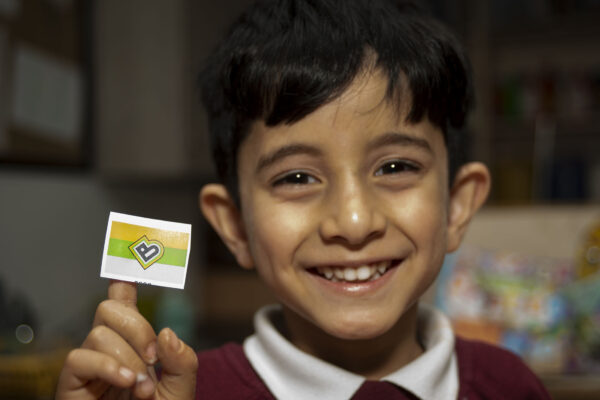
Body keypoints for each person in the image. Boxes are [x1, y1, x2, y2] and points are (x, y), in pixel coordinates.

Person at [56, 0, 551, 398]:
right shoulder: (176, 393)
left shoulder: (511, 386)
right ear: (233, 226)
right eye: (295, 177)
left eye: (396, 167)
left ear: (457, 205)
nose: (354, 222)